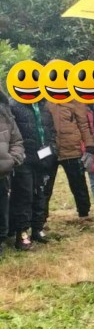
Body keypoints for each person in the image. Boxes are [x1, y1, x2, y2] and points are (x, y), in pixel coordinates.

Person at [8, 97, 58, 249]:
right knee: (24, 196)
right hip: (24, 159)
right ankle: (22, 234)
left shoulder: (43, 105)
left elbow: (50, 130)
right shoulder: (13, 104)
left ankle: (38, 228)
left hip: (43, 158)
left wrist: (52, 148)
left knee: (41, 194)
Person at [44, 98, 94, 222]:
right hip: (50, 150)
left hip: (72, 149)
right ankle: (41, 218)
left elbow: (83, 123)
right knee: (45, 186)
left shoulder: (75, 100)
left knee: (78, 184)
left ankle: (84, 214)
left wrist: (89, 144)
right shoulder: (43, 100)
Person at [0, 89, 26, 257]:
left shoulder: (5, 114)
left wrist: (12, 159)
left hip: (2, 173)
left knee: (2, 208)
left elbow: (17, 140)